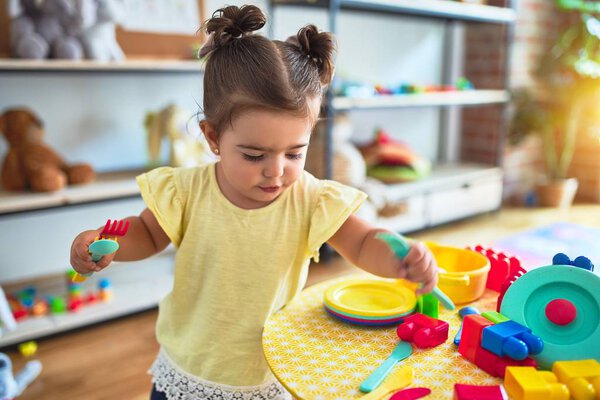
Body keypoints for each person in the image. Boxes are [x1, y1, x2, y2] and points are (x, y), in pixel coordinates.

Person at [70, 5, 439, 400]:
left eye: (294, 154)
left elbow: (363, 243)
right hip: (189, 367)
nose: (275, 172)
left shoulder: (311, 198)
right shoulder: (186, 191)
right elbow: (145, 233)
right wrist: (102, 246)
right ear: (212, 137)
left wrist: (400, 259)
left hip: (268, 370)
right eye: (253, 155)